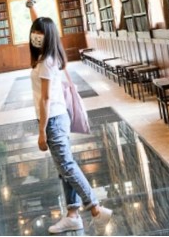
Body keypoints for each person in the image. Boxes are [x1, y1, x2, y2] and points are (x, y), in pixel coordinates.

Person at [30, 17, 113, 234]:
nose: (36, 35)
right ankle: (73, 215)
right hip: (58, 117)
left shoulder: (47, 61)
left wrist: (41, 132)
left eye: (40, 32)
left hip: (53, 119)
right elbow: (43, 25)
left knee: (66, 166)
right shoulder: (49, 56)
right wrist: (29, 0)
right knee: (63, 169)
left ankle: (95, 208)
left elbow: (45, 99)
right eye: (34, 31)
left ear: (48, 36)